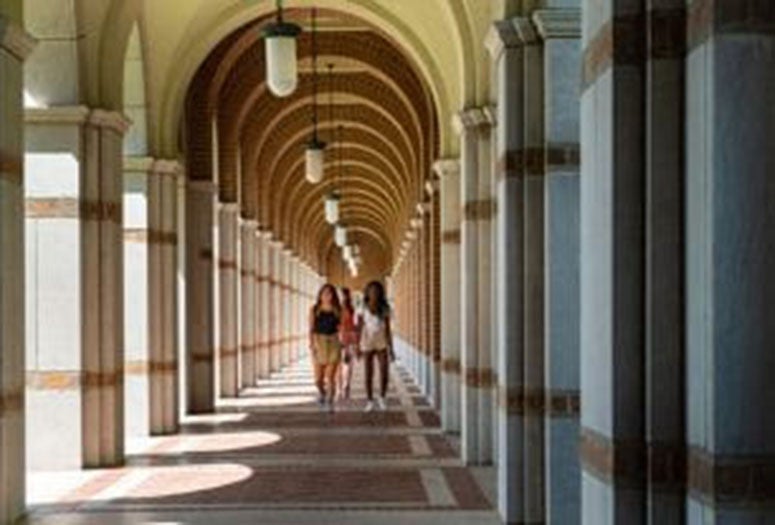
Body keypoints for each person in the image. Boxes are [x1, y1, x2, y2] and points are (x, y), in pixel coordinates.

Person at [357, 280, 394, 412]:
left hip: (381, 339)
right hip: (367, 339)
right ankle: (369, 400)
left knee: (384, 370)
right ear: (367, 292)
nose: (374, 293)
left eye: (376, 291)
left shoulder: (385, 308)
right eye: (371, 291)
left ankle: (382, 398)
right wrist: (357, 346)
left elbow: (388, 328)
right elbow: (359, 327)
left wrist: (392, 348)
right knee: (368, 372)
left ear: (380, 293)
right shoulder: (362, 307)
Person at [309, 283, 342, 412]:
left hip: (333, 343)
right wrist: (312, 344)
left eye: (329, 293)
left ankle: (330, 402)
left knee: (330, 377)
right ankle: (322, 393)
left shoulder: (337, 310)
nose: (327, 296)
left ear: (333, 296)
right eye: (324, 293)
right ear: (320, 295)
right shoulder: (314, 309)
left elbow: (342, 329)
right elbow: (311, 329)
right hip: (319, 342)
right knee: (318, 380)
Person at [337, 287, 358, 400]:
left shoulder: (351, 309)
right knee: (339, 364)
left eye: (343, 295)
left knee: (348, 363)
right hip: (339, 336)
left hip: (349, 336)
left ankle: (347, 386)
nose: (342, 297)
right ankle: (340, 387)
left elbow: (354, 324)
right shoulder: (337, 308)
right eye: (340, 295)